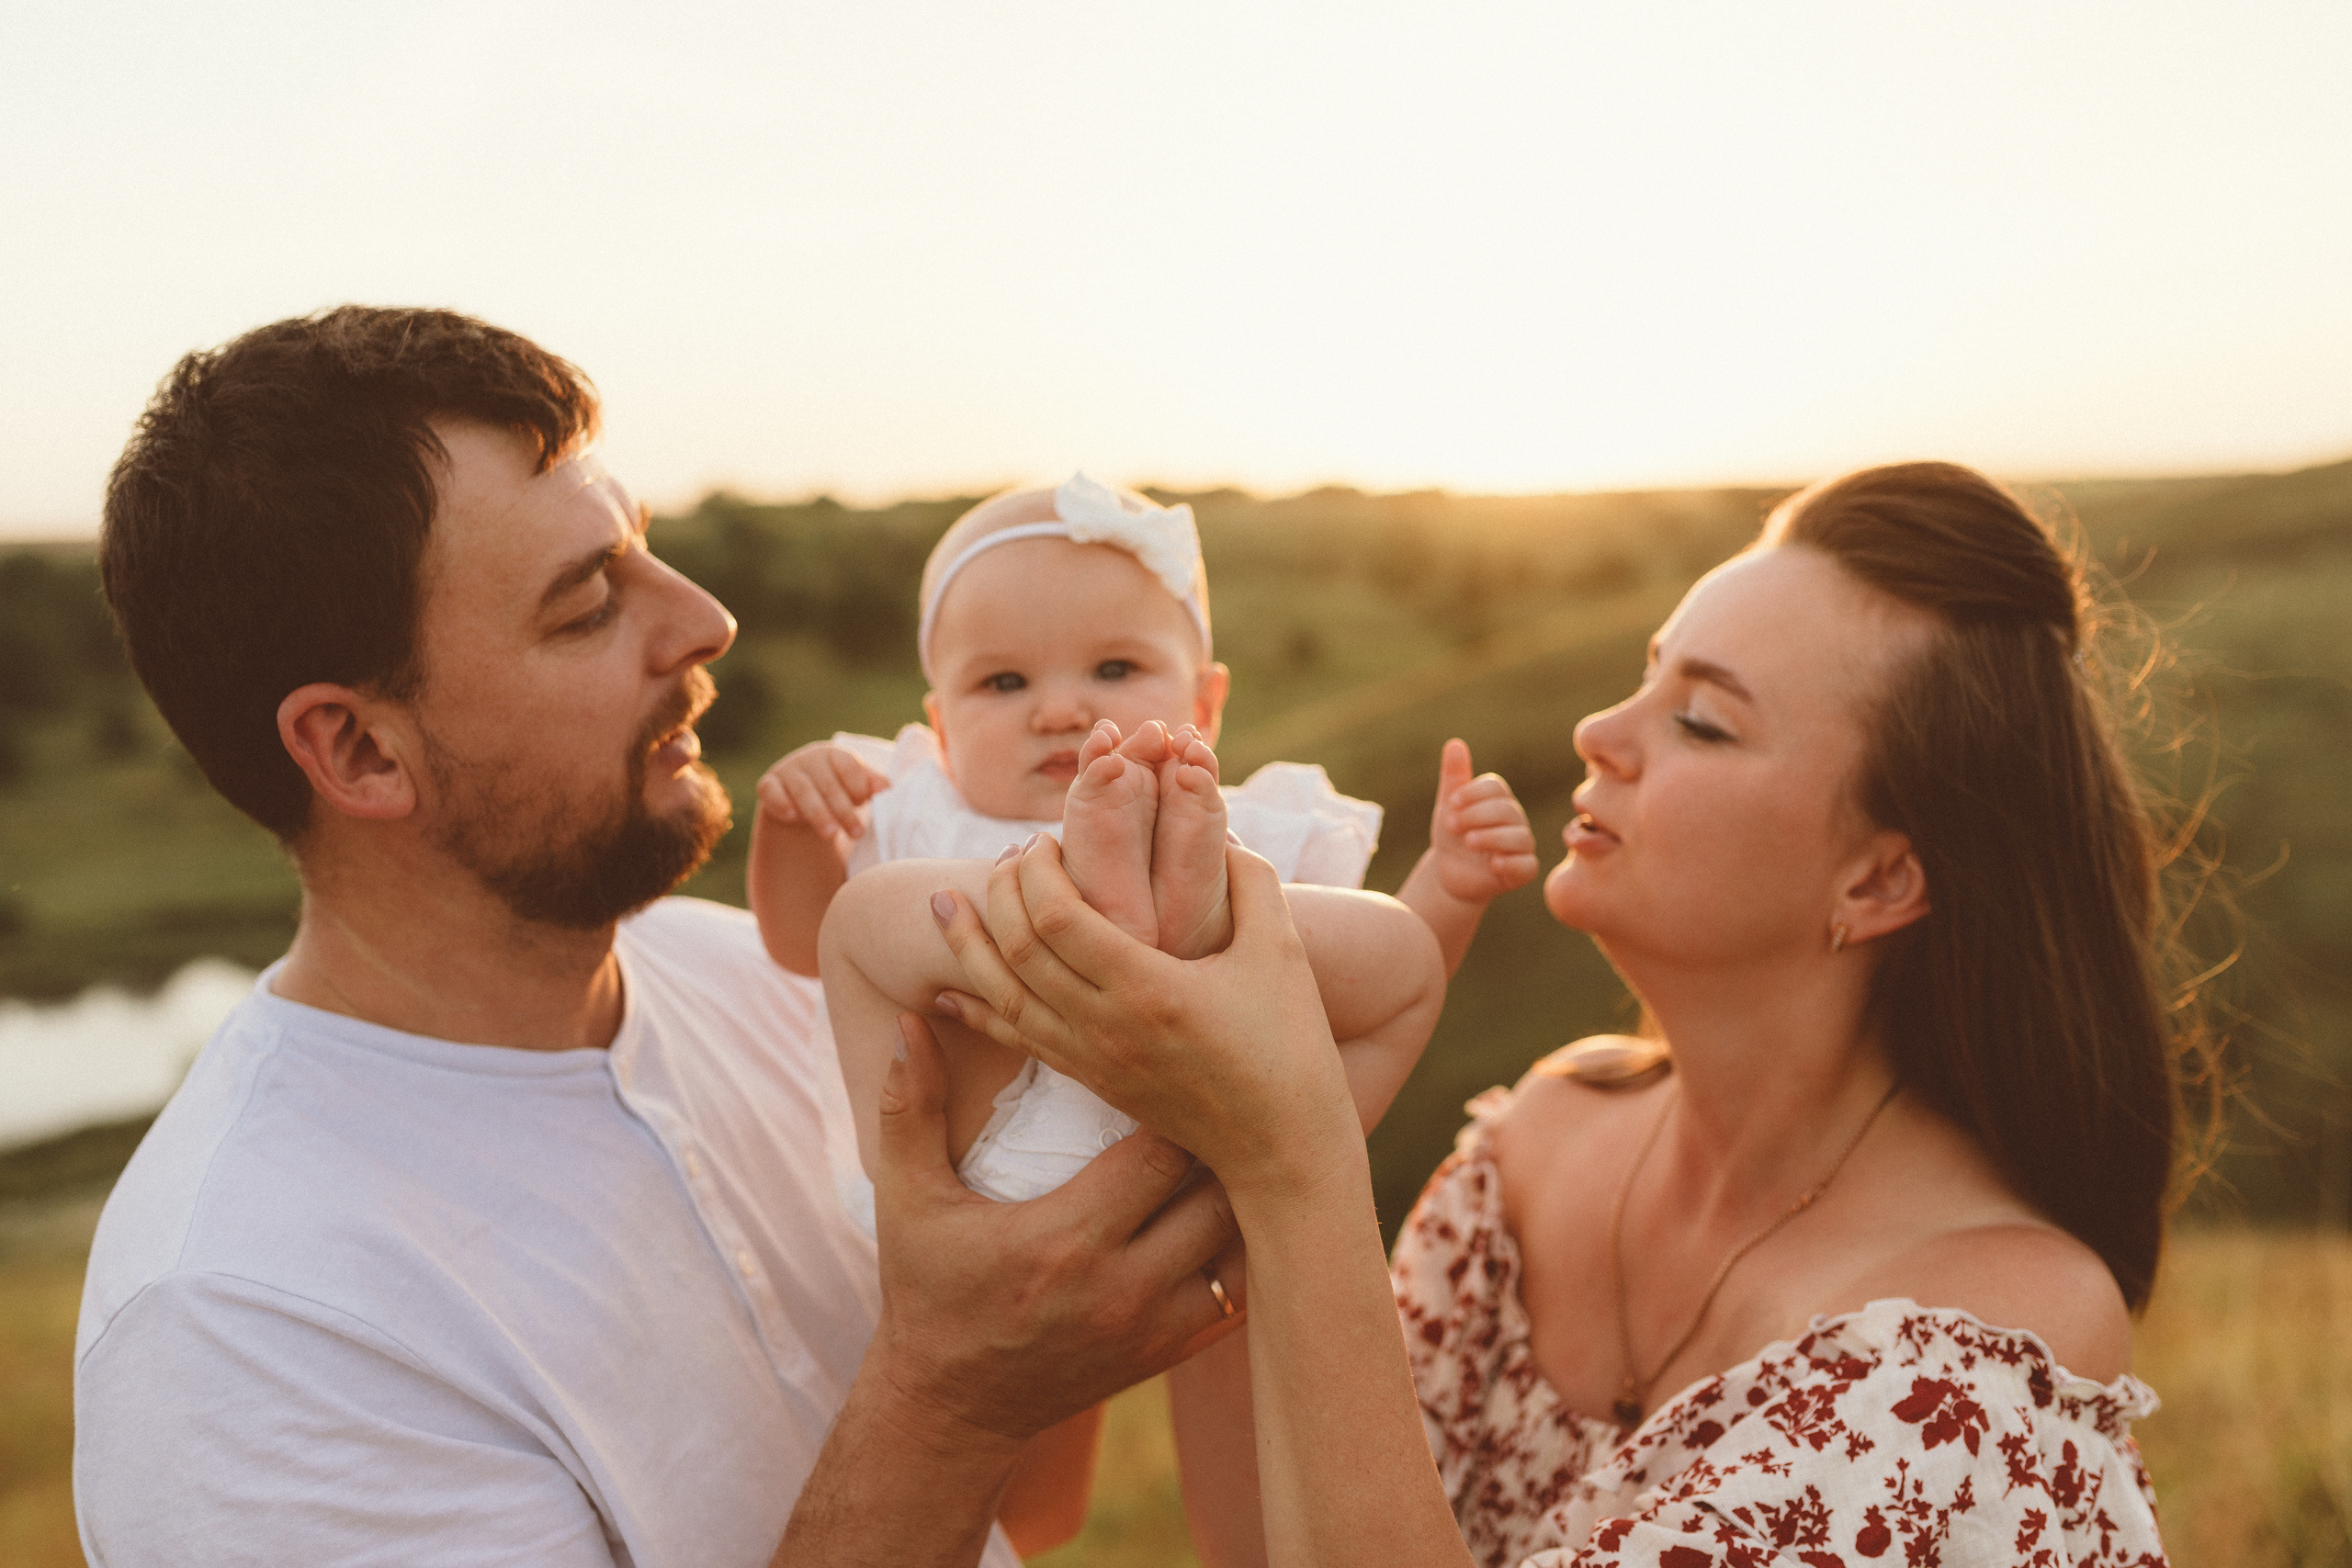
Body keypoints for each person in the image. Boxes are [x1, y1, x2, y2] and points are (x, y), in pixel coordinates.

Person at [74, 305, 1235, 1567]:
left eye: (645, 550)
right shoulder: (243, 1325)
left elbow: (1027, 1513)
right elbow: (966, 1416)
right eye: (586, 606)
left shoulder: (760, 973)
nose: (703, 619)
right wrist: (951, 1391)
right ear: (358, 748)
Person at [928, 462, 2188, 1565]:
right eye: (1646, 678)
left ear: (1880, 877)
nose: (1599, 730)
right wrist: (1208, 1119)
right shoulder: (1537, 1142)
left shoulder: (1981, 1346)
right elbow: (1267, 1540)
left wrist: (1291, 1148)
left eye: (1701, 719)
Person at [750, 475, 1539, 1209]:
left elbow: (1370, 993)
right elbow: (801, 942)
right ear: (940, 725)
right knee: (884, 909)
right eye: (1004, 682)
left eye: (1115, 667)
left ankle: (1165, 917)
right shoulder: (917, 811)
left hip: (1196, 1171)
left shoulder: (1234, 828)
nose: (1059, 710)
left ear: (1205, 701)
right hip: (964, 1171)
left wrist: (1450, 887)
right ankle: (1103, 904)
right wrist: (794, 827)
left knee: (1377, 940)